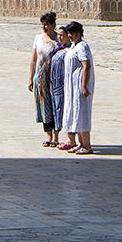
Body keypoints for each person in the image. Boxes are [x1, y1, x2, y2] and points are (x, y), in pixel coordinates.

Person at [61, 21, 94, 153]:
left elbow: (86, 66)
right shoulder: (73, 46)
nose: (70, 36)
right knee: (74, 113)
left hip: (80, 87)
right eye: (68, 33)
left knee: (82, 113)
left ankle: (87, 145)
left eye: (72, 33)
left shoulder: (82, 47)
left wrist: (84, 86)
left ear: (79, 33)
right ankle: (80, 143)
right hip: (71, 87)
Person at [27, 10, 59, 145]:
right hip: (40, 76)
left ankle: (56, 137)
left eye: (46, 24)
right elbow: (34, 60)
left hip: (54, 77)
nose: (44, 27)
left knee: (56, 105)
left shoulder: (59, 39)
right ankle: (49, 136)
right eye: (42, 24)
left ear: (53, 25)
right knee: (44, 105)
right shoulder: (38, 38)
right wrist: (30, 78)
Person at [48, 24, 71, 146]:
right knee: (55, 110)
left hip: (63, 85)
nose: (61, 38)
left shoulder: (68, 51)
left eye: (63, 35)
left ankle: (66, 137)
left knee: (62, 110)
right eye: (59, 35)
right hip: (55, 85)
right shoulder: (57, 49)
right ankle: (55, 136)